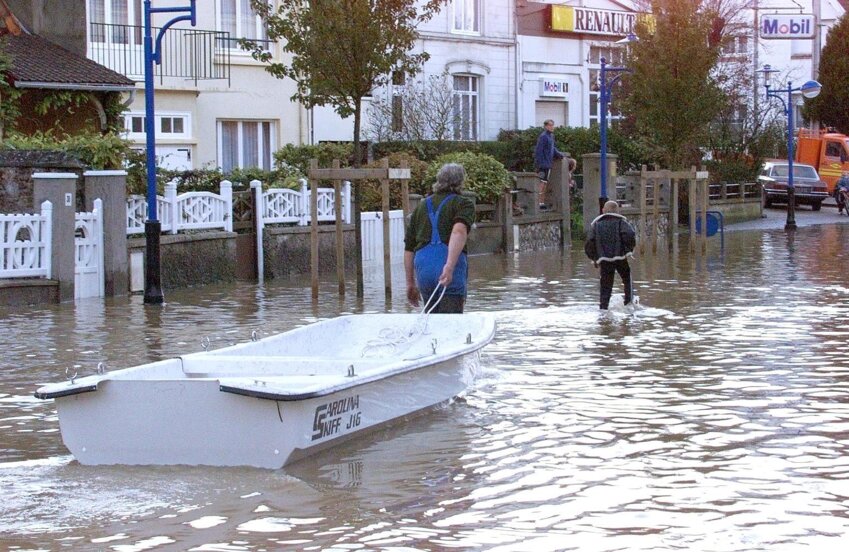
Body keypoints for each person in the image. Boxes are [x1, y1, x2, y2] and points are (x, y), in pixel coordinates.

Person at [404, 163, 475, 313]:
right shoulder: (463, 203)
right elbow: (459, 232)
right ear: (461, 182)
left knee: (432, 324)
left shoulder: (421, 207)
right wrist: (449, 267)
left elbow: (409, 248)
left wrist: (410, 284)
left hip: (424, 270)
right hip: (447, 265)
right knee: (451, 324)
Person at [584, 200, 636, 310]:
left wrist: (595, 258)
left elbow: (589, 242)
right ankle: (629, 303)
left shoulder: (596, 225)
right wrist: (628, 250)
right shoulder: (621, 222)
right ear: (617, 211)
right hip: (620, 258)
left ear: (603, 210)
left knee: (605, 285)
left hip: (604, 260)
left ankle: (603, 308)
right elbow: (630, 234)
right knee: (627, 278)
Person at [533, 119, 564, 209]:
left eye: (552, 125)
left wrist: (560, 155)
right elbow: (539, 150)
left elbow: (552, 149)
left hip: (548, 163)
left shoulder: (551, 136)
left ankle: (541, 202)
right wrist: (539, 163)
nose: (552, 127)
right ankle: (538, 202)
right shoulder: (543, 136)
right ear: (546, 126)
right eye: (550, 125)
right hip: (543, 164)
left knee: (545, 183)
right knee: (542, 183)